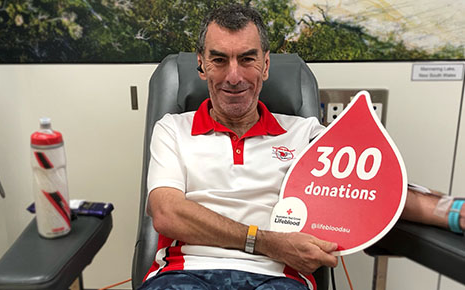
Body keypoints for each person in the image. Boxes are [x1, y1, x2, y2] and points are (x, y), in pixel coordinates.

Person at [139, 4, 465, 290]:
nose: (234, 76)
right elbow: (167, 213)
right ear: (201, 65)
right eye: (220, 60)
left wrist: (452, 212)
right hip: (185, 274)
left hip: (279, 278)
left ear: (266, 65)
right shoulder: (173, 129)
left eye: (247, 59)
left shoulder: (304, 132)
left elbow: (374, 190)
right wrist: (266, 241)